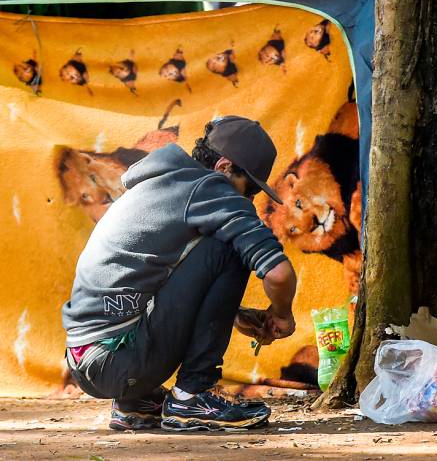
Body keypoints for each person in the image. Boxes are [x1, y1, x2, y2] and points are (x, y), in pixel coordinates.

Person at [62, 117, 297, 432]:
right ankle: (192, 396)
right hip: (118, 360)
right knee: (230, 245)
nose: (249, 200)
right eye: (250, 188)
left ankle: (138, 402)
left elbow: (154, 280)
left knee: (219, 241)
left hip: (86, 359)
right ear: (224, 167)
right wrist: (281, 314)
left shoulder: (159, 184)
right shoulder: (210, 188)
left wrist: (233, 313)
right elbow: (278, 274)